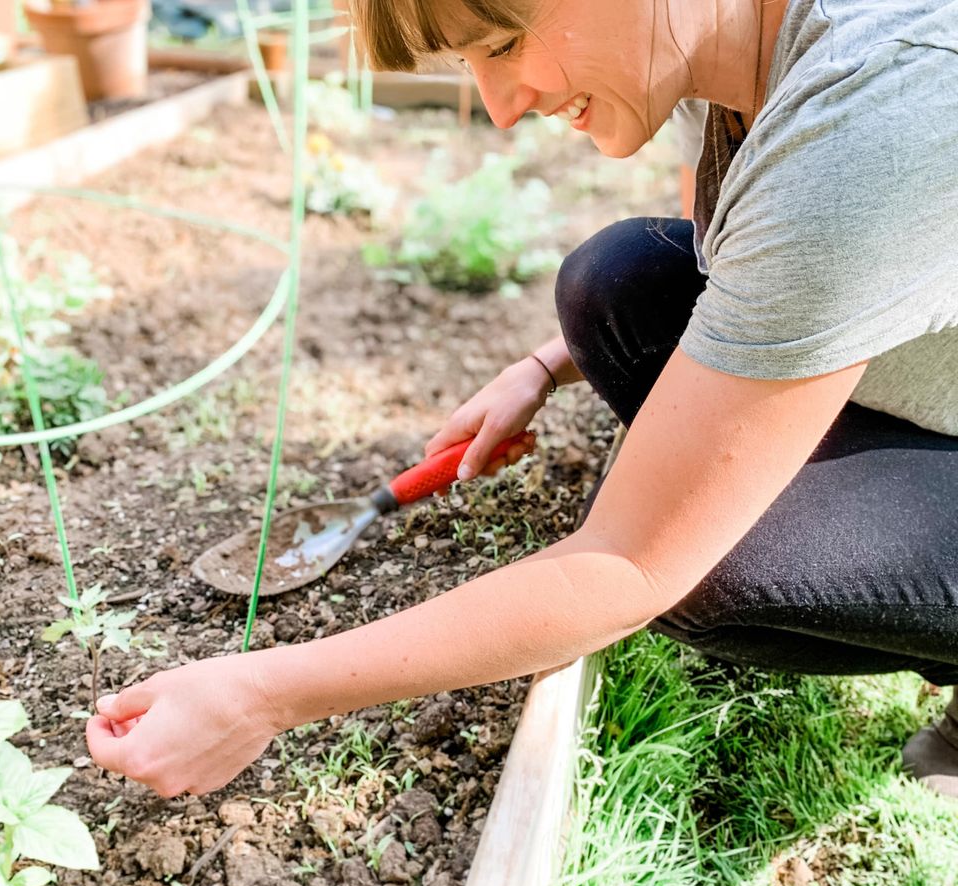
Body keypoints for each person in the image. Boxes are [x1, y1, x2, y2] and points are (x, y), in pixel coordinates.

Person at [87, 0, 958, 801]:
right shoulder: (724, 47)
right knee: (609, 285)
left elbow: (631, 564)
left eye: (502, 43)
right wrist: (541, 368)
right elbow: (743, 265)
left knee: (719, 564)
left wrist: (261, 694)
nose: (500, 106)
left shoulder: (877, 111)